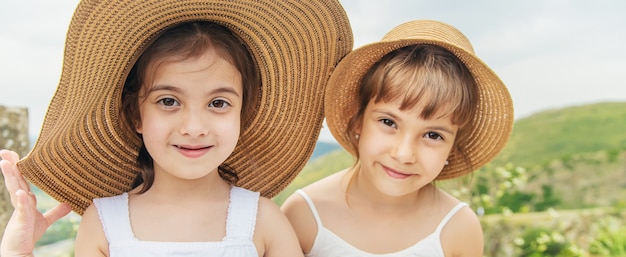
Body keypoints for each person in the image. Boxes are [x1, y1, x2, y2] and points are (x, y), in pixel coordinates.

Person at [0, 0, 353, 256]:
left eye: (218, 103)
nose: (194, 126)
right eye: (168, 101)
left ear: (243, 113)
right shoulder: (106, 223)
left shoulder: (262, 221)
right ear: (135, 115)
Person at [281, 20, 514, 257]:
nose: (403, 154)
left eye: (433, 135)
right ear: (358, 118)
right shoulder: (305, 214)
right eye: (388, 122)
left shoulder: (458, 228)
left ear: (453, 147)